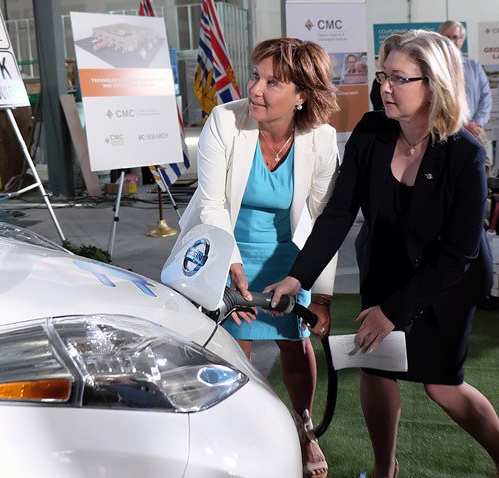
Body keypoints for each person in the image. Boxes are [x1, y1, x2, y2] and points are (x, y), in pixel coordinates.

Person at [267, 30, 499, 478]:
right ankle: (382, 470)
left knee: (442, 387)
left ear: (434, 85)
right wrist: (299, 278)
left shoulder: (466, 154)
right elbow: (337, 214)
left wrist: (393, 311)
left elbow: (458, 254)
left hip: (446, 281)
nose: (384, 88)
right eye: (382, 75)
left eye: (398, 78)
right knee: (376, 370)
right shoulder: (371, 132)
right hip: (386, 266)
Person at [176, 37, 340, 478]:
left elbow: (327, 221)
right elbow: (211, 205)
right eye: (255, 76)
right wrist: (231, 268)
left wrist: (321, 296)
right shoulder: (224, 121)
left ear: (303, 95)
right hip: (223, 247)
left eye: (273, 82)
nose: (256, 89)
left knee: (295, 343)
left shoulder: (321, 138)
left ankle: (305, 430)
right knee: (231, 346)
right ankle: (233, 431)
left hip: (287, 255)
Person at [438, 20, 493, 174]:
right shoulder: (435, 69)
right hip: (447, 130)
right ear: (440, 38)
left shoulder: (474, 67)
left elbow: (486, 98)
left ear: (462, 40)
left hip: (476, 130)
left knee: (481, 170)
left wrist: (476, 123)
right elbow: (438, 101)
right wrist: (462, 125)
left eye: (456, 37)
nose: (452, 41)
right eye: (447, 37)